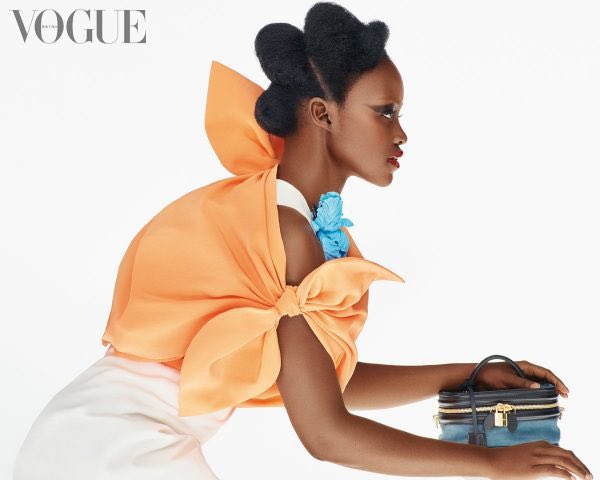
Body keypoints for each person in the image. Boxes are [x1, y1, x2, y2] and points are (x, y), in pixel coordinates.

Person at [13, 2, 593, 479]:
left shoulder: (294, 217)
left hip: (96, 438)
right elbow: (325, 434)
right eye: (384, 112)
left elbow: (318, 383)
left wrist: (467, 375)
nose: (401, 133)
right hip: (109, 449)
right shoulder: (287, 229)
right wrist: (491, 464)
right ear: (322, 113)